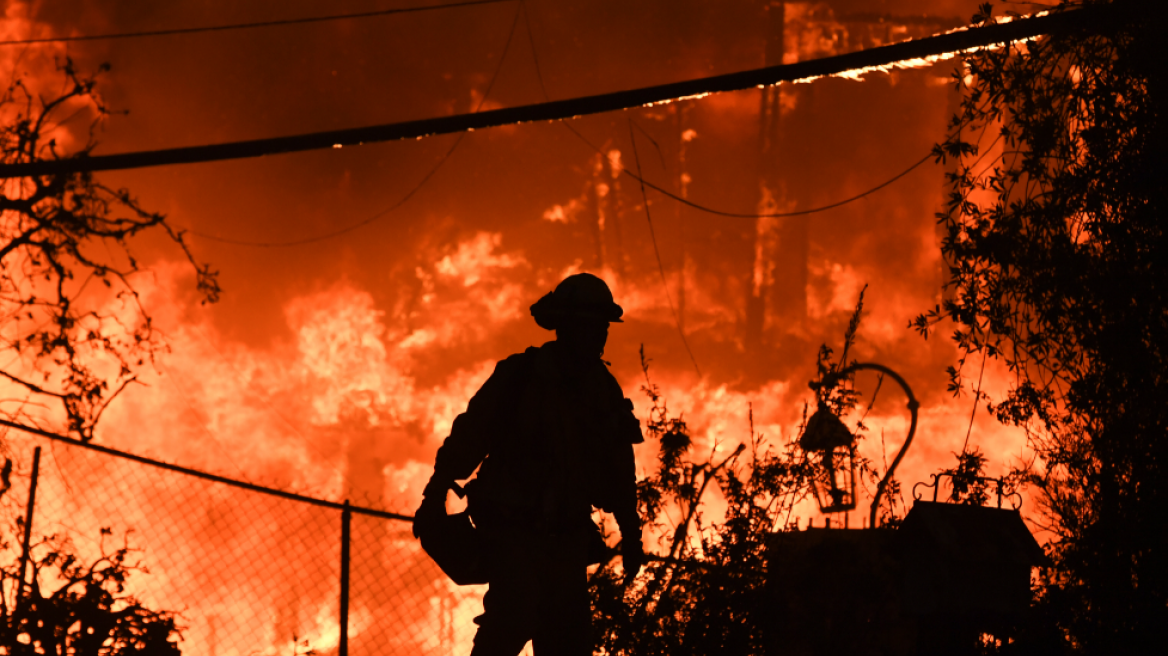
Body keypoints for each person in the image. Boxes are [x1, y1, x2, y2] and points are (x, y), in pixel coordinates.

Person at [414, 272, 645, 656]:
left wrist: (632, 535)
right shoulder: (520, 377)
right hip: (515, 541)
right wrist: (436, 490)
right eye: (592, 326)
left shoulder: (603, 392)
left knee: (567, 646)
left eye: (603, 328)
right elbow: (470, 436)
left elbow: (620, 470)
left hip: (569, 548)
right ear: (566, 327)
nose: (600, 336)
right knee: (506, 630)